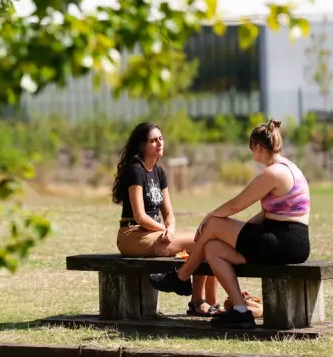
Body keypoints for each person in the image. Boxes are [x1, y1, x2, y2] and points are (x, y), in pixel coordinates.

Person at [148, 118, 311, 329]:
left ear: (259, 147)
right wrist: (240, 235)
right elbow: (266, 213)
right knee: (212, 248)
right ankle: (240, 310)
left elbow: (236, 204)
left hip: (282, 241)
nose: (251, 153)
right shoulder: (290, 167)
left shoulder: (273, 173)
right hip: (286, 242)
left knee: (213, 224)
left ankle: (181, 277)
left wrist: (210, 216)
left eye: (252, 148)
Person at [113, 122, 224, 317]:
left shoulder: (159, 172)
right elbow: (140, 216)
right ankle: (197, 302)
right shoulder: (135, 170)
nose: (159, 143)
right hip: (133, 235)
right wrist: (162, 229)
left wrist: (170, 228)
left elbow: (169, 214)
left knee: (209, 241)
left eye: (160, 139)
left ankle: (209, 302)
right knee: (204, 241)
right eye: (153, 140)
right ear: (142, 145)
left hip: (155, 233)